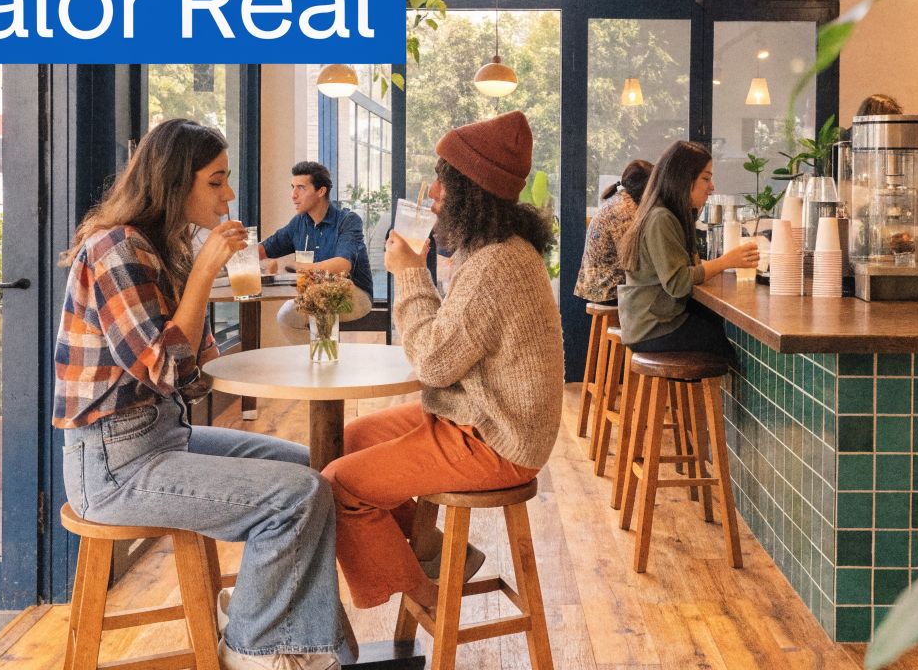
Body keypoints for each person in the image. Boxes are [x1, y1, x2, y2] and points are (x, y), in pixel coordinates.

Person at [54, 119, 341, 670]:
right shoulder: (117, 248)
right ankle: (252, 650)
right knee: (296, 495)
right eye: (216, 180)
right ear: (173, 182)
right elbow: (164, 369)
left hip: (164, 437)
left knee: (314, 470)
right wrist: (205, 274)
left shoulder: (165, 248)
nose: (228, 194)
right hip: (113, 467)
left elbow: (195, 374)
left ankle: (264, 622)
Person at [321, 111, 564, 612]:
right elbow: (448, 349)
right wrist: (420, 271)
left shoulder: (495, 264)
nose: (432, 192)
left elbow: (432, 363)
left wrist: (410, 273)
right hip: (478, 416)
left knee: (339, 486)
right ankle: (432, 550)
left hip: (498, 438)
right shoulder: (493, 249)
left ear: (470, 190)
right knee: (351, 440)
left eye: (442, 180)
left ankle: (426, 595)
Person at [617, 140, 759, 361]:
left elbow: (686, 269)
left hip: (646, 323)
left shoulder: (664, 214)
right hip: (653, 327)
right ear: (683, 179)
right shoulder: (661, 218)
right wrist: (727, 261)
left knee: (712, 320)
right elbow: (678, 283)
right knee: (728, 347)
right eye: (706, 178)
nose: (712, 187)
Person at [258, 161, 374, 343]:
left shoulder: (348, 221)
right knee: (287, 316)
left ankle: (325, 357)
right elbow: (263, 250)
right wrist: (235, 250)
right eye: (292, 187)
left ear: (321, 191)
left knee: (318, 299)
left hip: (356, 294)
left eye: (301, 188)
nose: (293, 195)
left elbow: (343, 264)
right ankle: (317, 356)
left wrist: (298, 267)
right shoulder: (298, 223)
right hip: (314, 294)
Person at [574, 159, 653, 305]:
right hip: (607, 291)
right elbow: (632, 259)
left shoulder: (619, 200)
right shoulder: (625, 211)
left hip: (595, 286)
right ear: (646, 188)